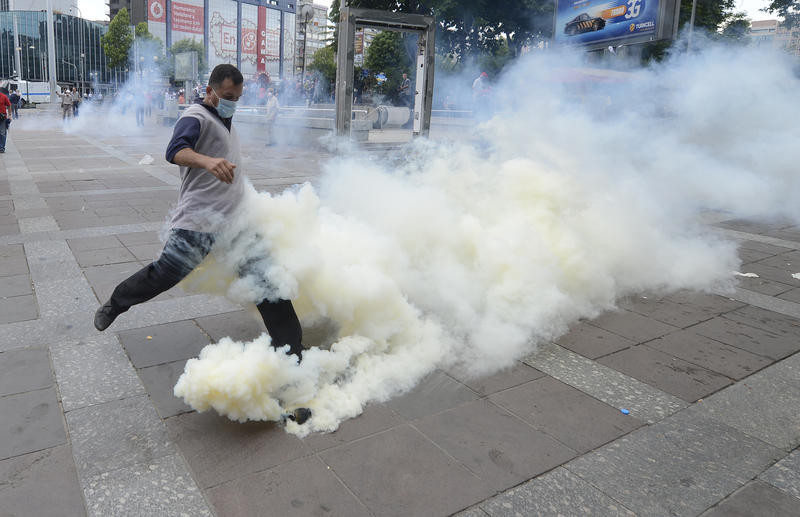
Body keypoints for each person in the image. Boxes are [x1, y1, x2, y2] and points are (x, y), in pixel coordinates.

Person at [93, 64, 305, 360]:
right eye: (228, 95)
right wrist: (207, 162)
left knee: (269, 285)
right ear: (210, 91)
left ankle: (291, 352)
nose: (233, 102)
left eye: (238, 97)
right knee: (164, 274)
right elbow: (175, 150)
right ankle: (116, 303)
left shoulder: (225, 120)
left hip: (236, 224)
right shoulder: (195, 116)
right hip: (199, 223)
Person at [0, 89, 12, 153]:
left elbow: (9, 105)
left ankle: (2, 148)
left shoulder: (3, 96)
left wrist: (10, 115)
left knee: (2, 133)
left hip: (2, 117)